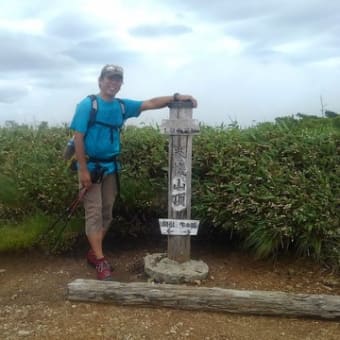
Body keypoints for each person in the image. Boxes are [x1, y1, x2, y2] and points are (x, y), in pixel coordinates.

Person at [70, 64, 197, 281]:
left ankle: (93, 252)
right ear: (100, 81)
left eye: (117, 79)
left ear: (121, 84)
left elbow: (149, 103)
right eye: (109, 79)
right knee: (94, 212)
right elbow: (78, 137)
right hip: (91, 167)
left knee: (107, 212)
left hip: (110, 168)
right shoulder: (88, 105)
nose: (113, 83)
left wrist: (176, 96)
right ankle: (100, 261)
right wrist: (83, 170)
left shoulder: (121, 106)